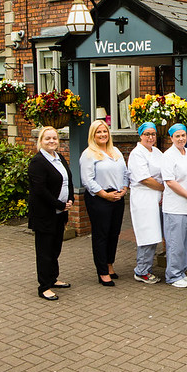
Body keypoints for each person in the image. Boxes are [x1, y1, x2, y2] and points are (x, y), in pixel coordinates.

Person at [80, 120, 129, 287]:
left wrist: (124, 189)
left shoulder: (115, 151)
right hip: (99, 199)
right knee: (101, 235)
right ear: (93, 135)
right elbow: (87, 180)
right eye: (98, 132)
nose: (102, 135)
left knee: (114, 233)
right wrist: (104, 195)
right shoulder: (88, 154)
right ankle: (102, 272)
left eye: (105, 131)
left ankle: (109, 264)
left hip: (117, 197)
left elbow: (125, 172)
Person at [28, 126, 74, 301]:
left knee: (55, 248)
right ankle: (44, 286)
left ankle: (53, 278)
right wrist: (59, 204)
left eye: (54, 138)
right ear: (41, 141)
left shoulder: (59, 157)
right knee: (44, 251)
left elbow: (67, 181)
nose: (52, 141)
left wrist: (70, 199)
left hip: (60, 213)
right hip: (45, 214)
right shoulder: (38, 162)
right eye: (47, 138)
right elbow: (40, 190)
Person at [161, 123, 187, 288]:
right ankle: (172, 275)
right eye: (177, 136)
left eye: (183, 135)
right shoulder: (167, 156)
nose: (181, 139)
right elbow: (170, 181)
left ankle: (181, 271)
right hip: (176, 206)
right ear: (171, 138)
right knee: (175, 242)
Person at [127, 122, 164, 284]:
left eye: (153, 134)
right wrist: (164, 188)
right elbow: (145, 179)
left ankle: (146, 268)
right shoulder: (137, 154)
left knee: (155, 233)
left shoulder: (156, 151)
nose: (150, 137)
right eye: (147, 134)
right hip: (144, 197)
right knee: (147, 233)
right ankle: (141, 270)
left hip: (156, 196)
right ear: (140, 135)